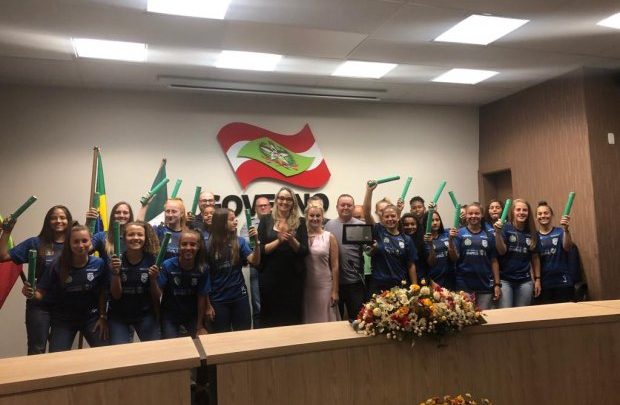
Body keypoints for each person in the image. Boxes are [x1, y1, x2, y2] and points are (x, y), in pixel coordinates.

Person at [0, 205, 73, 355]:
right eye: (54, 217)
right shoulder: (35, 243)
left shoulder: (75, 244)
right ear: (48, 221)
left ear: (69, 220)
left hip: (65, 306)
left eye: (62, 217)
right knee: (36, 350)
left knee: (60, 353)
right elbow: (3, 256)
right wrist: (7, 231)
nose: (58, 220)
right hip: (39, 305)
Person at [27, 223, 109, 352]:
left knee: (107, 353)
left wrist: (103, 317)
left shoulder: (99, 263)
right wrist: (31, 293)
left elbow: (103, 292)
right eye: (76, 242)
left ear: (90, 241)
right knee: (57, 359)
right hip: (63, 320)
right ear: (69, 244)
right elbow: (41, 292)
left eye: (84, 241)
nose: (81, 245)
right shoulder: (57, 265)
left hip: (91, 318)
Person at [257, 186, 309, 327]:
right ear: (276, 200)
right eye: (281, 198)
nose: (284, 202)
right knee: (269, 317)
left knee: (291, 317)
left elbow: (304, 251)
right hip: (269, 277)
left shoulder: (301, 222)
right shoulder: (266, 220)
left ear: (293, 202)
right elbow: (260, 250)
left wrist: (292, 240)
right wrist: (279, 241)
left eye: (288, 199)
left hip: (293, 278)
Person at [206, 208, 260, 333]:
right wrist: (207, 306)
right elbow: (205, 277)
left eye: (235, 218)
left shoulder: (239, 241)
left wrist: (256, 243)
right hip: (218, 300)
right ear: (221, 223)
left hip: (239, 297)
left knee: (244, 335)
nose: (235, 221)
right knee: (221, 339)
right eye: (231, 219)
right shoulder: (208, 245)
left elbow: (254, 261)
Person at [107, 221, 161, 344]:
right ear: (124, 238)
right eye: (131, 235)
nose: (136, 238)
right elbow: (116, 295)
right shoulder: (116, 260)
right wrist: (115, 273)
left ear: (145, 238)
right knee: (120, 353)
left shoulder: (152, 259)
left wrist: (153, 279)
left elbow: (157, 296)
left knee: (155, 351)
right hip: (119, 316)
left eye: (139, 235)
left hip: (145, 314)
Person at [152, 229, 213, 338]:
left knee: (199, 341)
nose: (188, 247)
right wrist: (153, 280)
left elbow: (201, 297)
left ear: (198, 247)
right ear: (178, 246)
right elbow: (157, 295)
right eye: (184, 244)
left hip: (192, 315)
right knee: (171, 346)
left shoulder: (203, 268)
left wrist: (199, 326)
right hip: (170, 316)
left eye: (193, 244)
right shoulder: (167, 265)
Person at [363, 181, 417, 295]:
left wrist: (414, 286)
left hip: (400, 286)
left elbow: (411, 264)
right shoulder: (378, 231)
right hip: (379, 285)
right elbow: (366, 213)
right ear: (382, 218)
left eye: (393, 216)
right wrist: (369, 191)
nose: (390, 219)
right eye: (386, 216)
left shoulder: (407, 239)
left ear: (398, 218)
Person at [450, 203, 500, 310]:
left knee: (485, 318)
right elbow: (454, 258)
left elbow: (494, 260)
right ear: (466, 216)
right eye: (470, 213)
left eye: (477, 213)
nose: (473, 216)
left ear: (482, 215)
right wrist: (450, 240)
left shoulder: (489, 235)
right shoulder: (459, 234)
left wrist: (497, 284)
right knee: (466, 318)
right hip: (464, 285)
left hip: (485, 285)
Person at [493, 198, 540, 308]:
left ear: (528, 213)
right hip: (505, 280)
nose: (521, 213)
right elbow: (501, 251)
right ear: (513, 212)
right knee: (506, 313)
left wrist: (537, 280)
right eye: (518, 210)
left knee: (522, 315)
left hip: (525, 281)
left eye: (525, 210)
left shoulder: (532, 232)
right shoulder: (505, 228)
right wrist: (498, 233)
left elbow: (535, 257)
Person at [325, 194, 364, 322]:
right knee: (337, 320)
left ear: (353, 207)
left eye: (349, 205)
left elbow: (367, 251)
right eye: (343, 205)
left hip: (355, 282)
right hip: (334, 283)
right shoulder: (328, 225)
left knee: (358, 320)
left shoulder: (360, 225)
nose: (346, 207)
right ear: (337, 207)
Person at [238, 196, 272, 328]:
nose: (263, 207)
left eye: (266, 205)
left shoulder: (277, 222)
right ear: (255, 209)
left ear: (270, 207)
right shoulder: (248, 224)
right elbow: (247, 245)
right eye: (260, 206)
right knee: (258, 306)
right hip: (256, 268)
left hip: (273, 267)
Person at [304, 203, 340, 323]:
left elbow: (335, 266)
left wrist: (335, 291)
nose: (315, 218)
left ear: (322, 217)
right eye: (312, 215)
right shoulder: (301, 237)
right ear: (306, 217)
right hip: (306, 287)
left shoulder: (329, 237)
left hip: (325, 287)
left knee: (326, 321)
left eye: (318, 215)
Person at [535, 201, 574, 304]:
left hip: (563, 281)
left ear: (551, 215)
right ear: (536, 217)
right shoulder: (534, 236)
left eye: (546, 213)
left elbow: (567, 247)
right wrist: (537, 280)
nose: (543, 216)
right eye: (540, 213)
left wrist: (566, 229)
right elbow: (534, 260)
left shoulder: (560, 232)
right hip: (544, 283)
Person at [423, 211, 455, 289]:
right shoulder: (424, 239)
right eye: (432, 220)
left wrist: (451, 240)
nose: (435, 223)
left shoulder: (446, 234)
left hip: (450, 279)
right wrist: (430, 245)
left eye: (437, 220)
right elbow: (432, 263)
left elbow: (454, 259)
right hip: (434, 280)